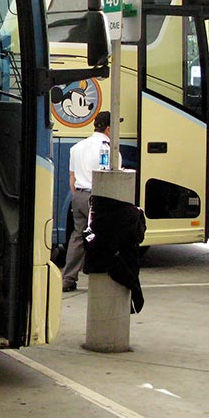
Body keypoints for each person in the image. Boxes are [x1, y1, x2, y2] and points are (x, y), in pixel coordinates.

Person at [62, 111, 121, 292]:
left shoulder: (77, 147)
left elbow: (72, 177)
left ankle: (68, 279)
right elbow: (112, 176)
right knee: (103, 237)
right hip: (98, 198)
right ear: (109, 129)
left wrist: (77, 195)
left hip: (78, 195)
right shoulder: (110, 148)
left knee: (79, 236)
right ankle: (102, 278)